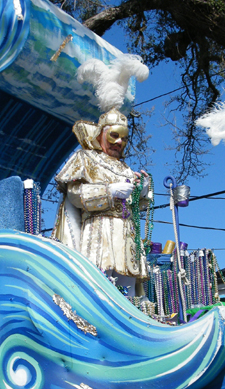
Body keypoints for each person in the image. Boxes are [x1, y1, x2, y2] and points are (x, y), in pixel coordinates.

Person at [52, 108, 152, 295]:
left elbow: (133, 206)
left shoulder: (125, 168)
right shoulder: (85, 158)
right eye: (114, 135)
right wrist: (109, 191)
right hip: (99, 232)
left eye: (124, 138)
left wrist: (142, 190)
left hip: (127, 237)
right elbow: (74, 194)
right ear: (101, 134)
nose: (119, 142)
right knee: (98, 287)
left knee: (128, 293)